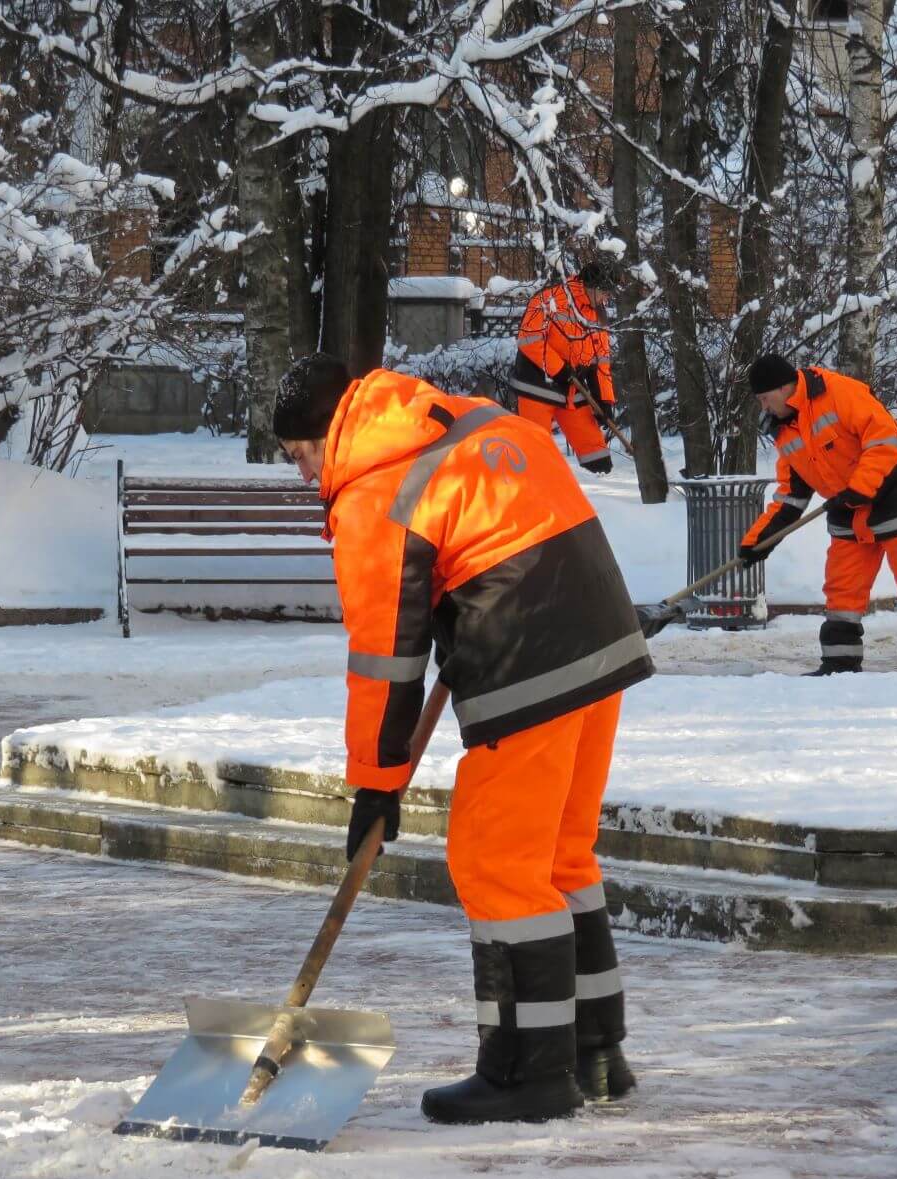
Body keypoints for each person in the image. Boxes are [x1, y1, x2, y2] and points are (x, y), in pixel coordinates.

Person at [272, 355, 654, 1124]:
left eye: (297, 457)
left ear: (319, 438)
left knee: (496, 859)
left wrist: (375, 781)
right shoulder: (468, 421)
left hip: (527, 652)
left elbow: (385, 659)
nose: (304, 475)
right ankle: (594, 1052)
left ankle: (526, 1073)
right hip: (603, 637)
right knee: (557, 856)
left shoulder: (376, 489)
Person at [738, 353, 897, 675]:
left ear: (783, 388)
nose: (763, 407)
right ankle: (839, 667)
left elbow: (884, 440)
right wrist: (759, 540)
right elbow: (791, 494)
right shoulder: (784, 430)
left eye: (764, 398)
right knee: (842, 592)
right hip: (847, 506)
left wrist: (860, 488)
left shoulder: (838, 393)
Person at [513, 261, 618, 475]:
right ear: (592, 286)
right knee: (535, 453)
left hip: (571, 387)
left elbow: (602, 360)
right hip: (537, 386)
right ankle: (540, 495)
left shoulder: (598, 314)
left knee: (596, 453)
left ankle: (600, 485)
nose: (607, 298)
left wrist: (604, 400)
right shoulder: (549, 300)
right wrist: (560, 369)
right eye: (606, 293)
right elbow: (529, 339)